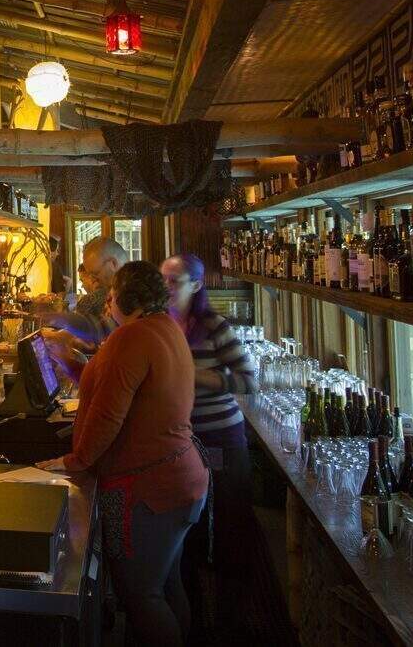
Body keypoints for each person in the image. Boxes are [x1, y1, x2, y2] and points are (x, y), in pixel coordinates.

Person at [38, 261, 208, 646]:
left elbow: (108, 416)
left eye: (112, 295)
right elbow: (119, 387)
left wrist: (75, 461)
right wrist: (73, 358)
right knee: (165, 585)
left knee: (141, 596)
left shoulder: (131, 337)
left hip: (148, 488)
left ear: (127, 298)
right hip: (180, 479)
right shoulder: (164, 327)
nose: (107, 303)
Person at [163, 253, 259, 640]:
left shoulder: (214, 326)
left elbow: (249, 381)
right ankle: (197, 622)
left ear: (197, 285)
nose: (166, 287)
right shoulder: (161, 326)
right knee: (189, 535)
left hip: (222, 440)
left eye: (174, 281)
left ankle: (232, 624)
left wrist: (196, 375)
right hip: (183, 442)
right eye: (162, 279)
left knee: (229, 533)